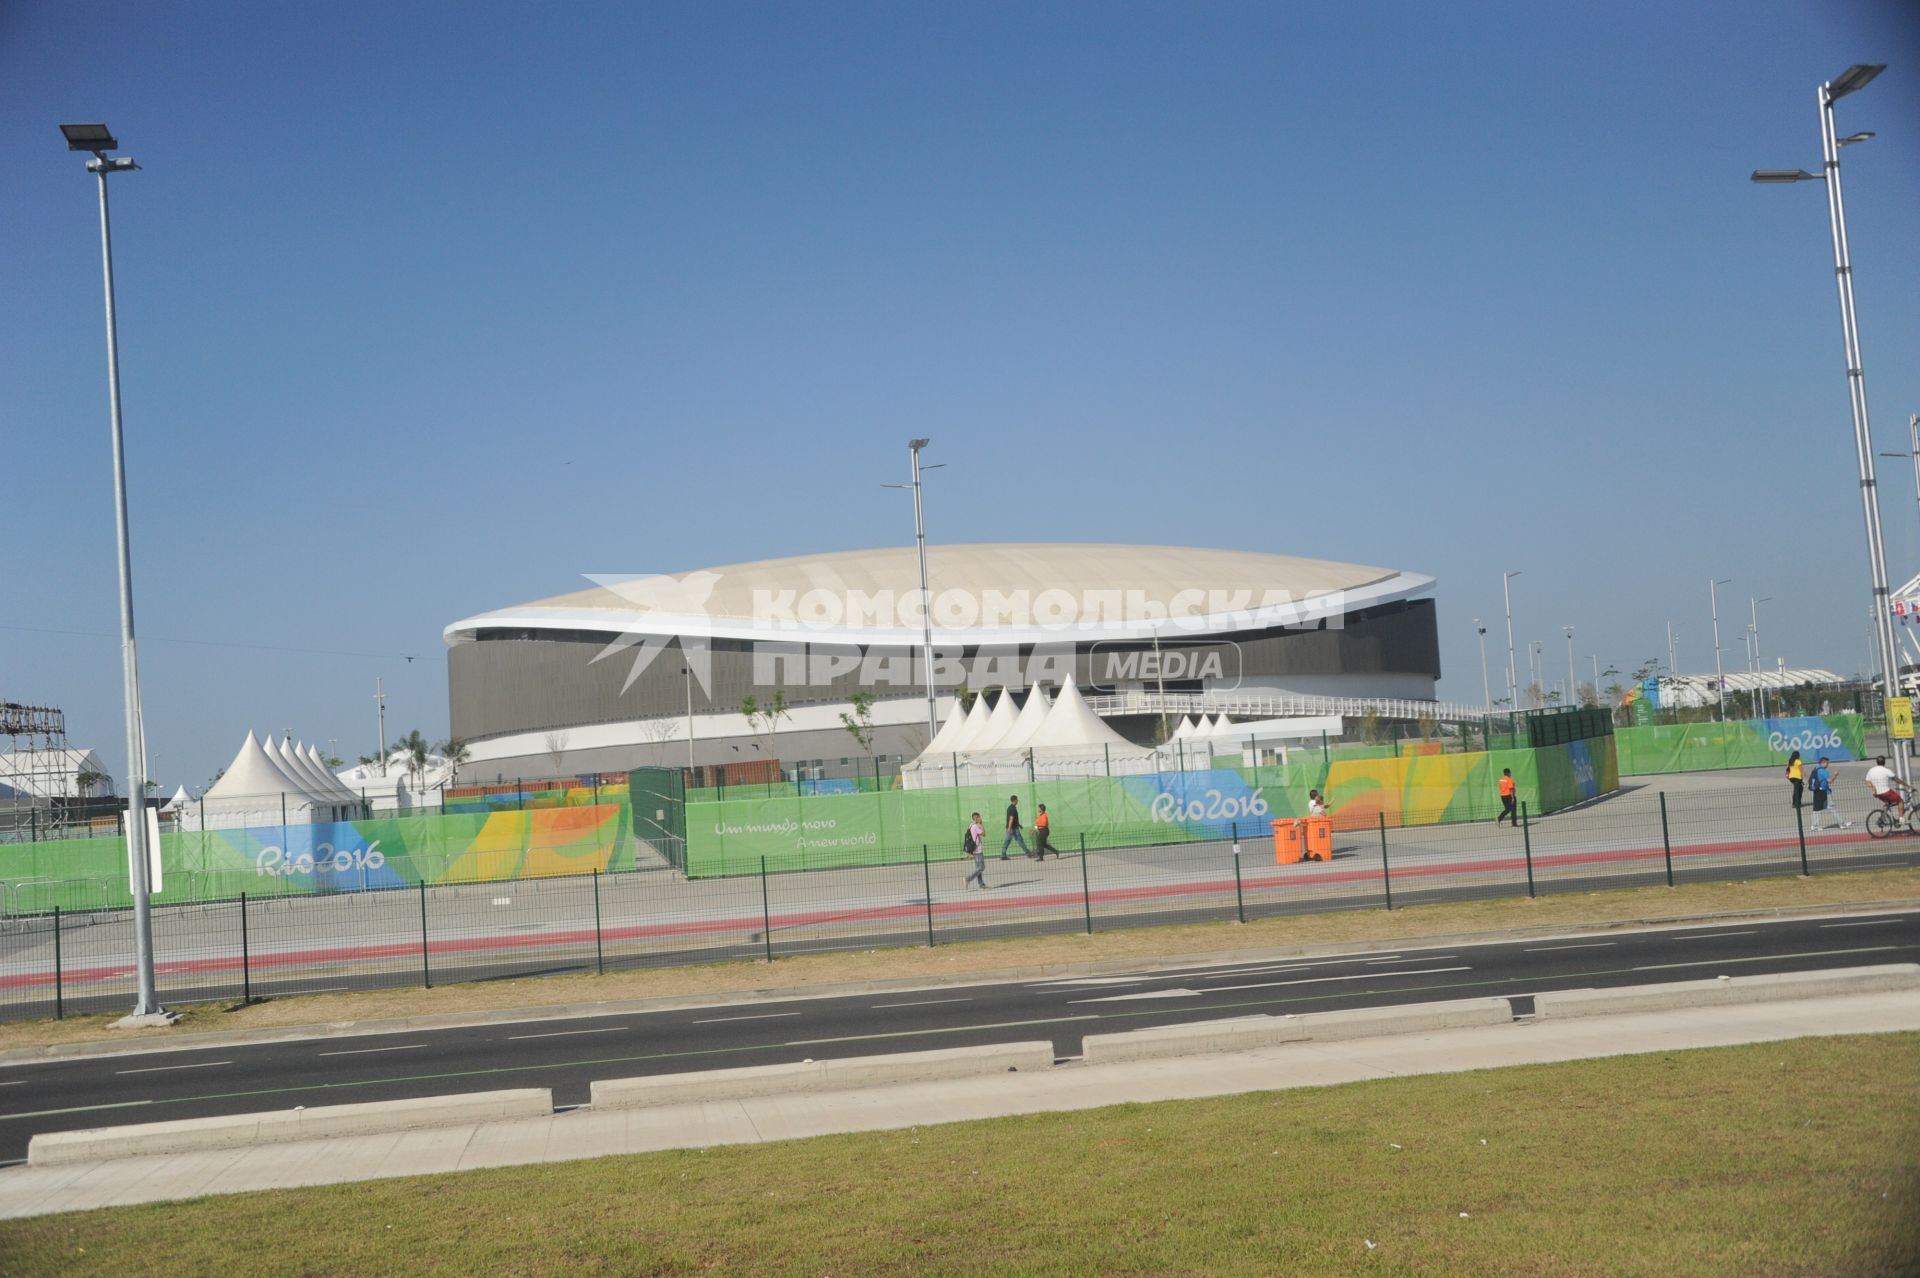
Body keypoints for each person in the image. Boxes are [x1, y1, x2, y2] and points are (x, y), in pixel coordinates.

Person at [1808, 756, 1851, 831]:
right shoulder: (1823, 771)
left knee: (1817, 808)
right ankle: (1842, 824)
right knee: (1832, 807)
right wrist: (1835, 775)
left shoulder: (1815, 769)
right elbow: (1830, 781)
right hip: (1824, 792)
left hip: (1817, 791)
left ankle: (1814, 826)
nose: (1828, 765)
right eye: (1827, 763)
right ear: (1824, 763)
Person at [1864, 755, 1909, 821]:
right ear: (1884, 762)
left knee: (1888, 804)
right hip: (1886, 792)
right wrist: (1907, 785)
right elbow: (1897, 780)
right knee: (1900, 801)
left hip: (1877, 793)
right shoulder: (1886, 770)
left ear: (1876, 762)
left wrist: (1872, 787)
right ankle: (1901, 819)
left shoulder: (1871, 770)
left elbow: (1867, 781)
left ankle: (1883, 818)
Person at [1000, 794, 1031, 860]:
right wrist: (1009, 828)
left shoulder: (1010, 808)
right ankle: (1028, 852)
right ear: (1015, 800)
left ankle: (1003, 855)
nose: (1018, 801)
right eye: (1017, 799)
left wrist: (1018, 825)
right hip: (1013, 828)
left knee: (1007, 841)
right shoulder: (1013, 808)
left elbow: (1012, 819)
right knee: (1019, 840)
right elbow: (1011, 819)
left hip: (1011, 827)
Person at [963, 812, 988, 888]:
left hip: (974, 849)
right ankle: (968, 879)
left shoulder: (971, 825)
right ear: (976, 818)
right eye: (979, 817)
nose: (980, 818)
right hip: (977, 849)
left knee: (978, 868)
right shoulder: (975, 826)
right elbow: (984, 834)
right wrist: (981, 824)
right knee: (981, 868)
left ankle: (981, 884)